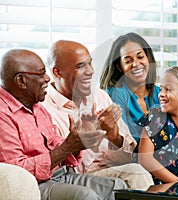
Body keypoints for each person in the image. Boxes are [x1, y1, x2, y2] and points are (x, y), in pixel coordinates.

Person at [0, 49, 127, 199]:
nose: (47, 78)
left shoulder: (36, 107)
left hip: (60, 175)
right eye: (41, 74)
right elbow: (16, 175)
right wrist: (69, 146)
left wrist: (80, 140)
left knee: (118, 188)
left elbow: (58, 148)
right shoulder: (3, 114)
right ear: (21, 80)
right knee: (85, 196)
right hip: (33, 185)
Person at [42, 40, 154, 190]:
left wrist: (114, 136)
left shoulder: (100, 97)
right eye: (80, 66)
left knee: (136, 172)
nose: (90, 71)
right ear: (57, 72)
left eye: (90, 63)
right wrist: (78, 142)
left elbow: (128, 159)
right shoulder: (43, 108)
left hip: (107, 172)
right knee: (135, 174)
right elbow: (56, 171)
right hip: (73, 180)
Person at [99, 32, 160, 145]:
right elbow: (126, 142)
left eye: (140, 56)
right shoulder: (114, 95)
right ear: (119, 66)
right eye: (128, 61)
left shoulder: (160, 93)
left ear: (148, 58)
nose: (136, 64)